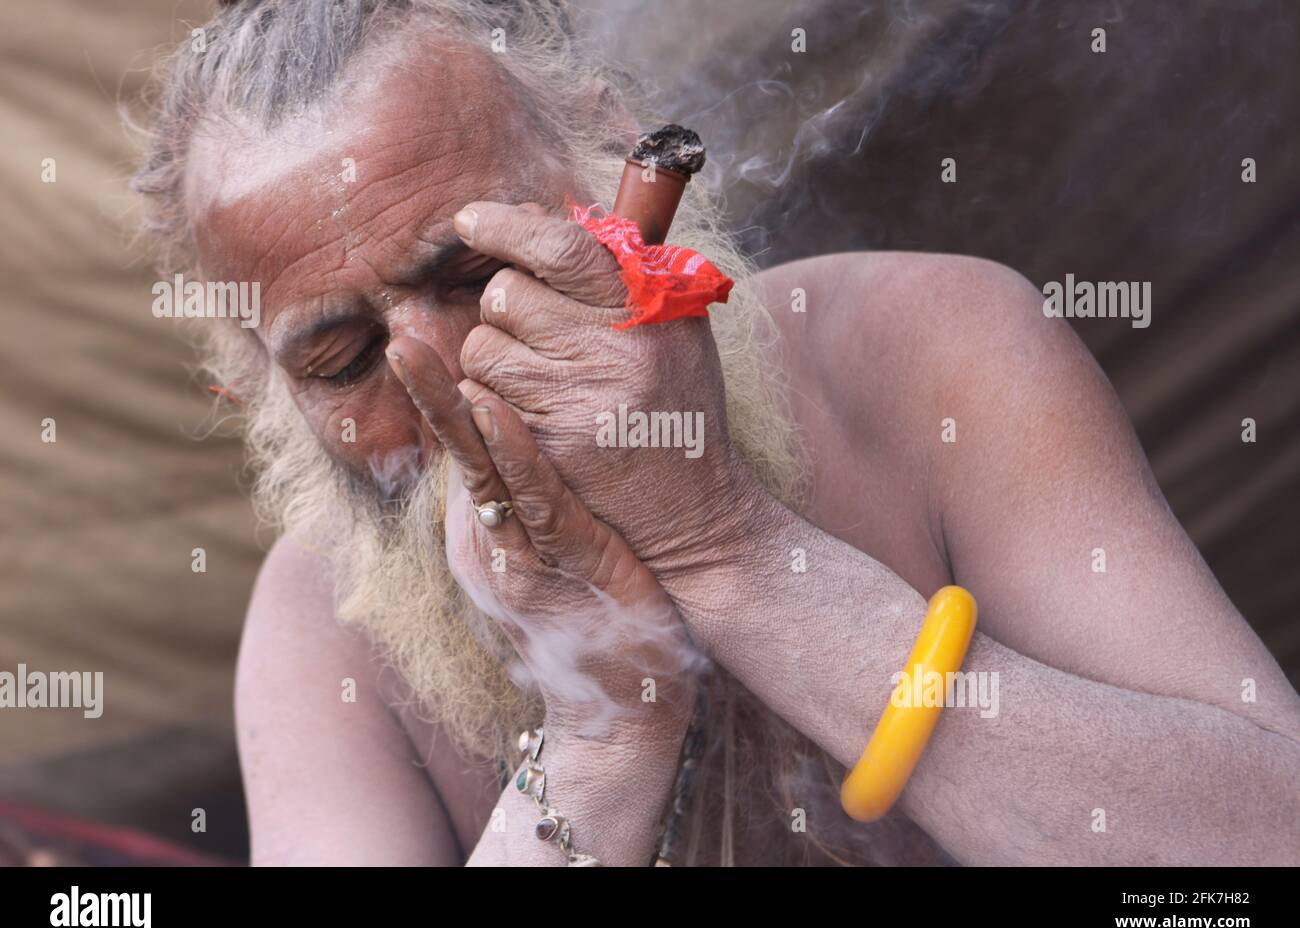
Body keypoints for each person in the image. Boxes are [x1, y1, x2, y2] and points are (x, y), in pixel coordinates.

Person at [132, 0, 1300, 865]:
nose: (440, 374)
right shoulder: (321, 618)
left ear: (610, 159)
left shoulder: (933, 350)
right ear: (271, 405)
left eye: (476, 269)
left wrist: (733, 552)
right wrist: (598, 721)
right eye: (344, 360)